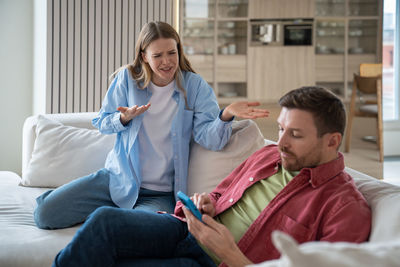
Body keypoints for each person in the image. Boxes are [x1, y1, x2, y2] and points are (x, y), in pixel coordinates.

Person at [52, 86, 371, 267]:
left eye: (296, 135)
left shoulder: (345, 207)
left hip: (215, 264)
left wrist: (231, 253)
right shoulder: (268, 156)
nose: (282, 143)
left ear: (332, 141)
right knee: (104, 220)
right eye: (281, 129)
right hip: (186, 231)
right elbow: (221, 194)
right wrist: (207, 204)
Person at [33, 21, 269, 230]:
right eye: (158, 55)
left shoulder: (194, 86)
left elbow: (210, 139)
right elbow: (102, 123)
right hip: (116, 180)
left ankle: (112, 217)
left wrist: (225, 115)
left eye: (171, 53)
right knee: (45, 214)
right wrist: (124, 119)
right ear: (144, 56)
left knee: (133, 233)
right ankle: (104, 211)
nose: (167, 62)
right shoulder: (127, 79)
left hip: (159, 194)